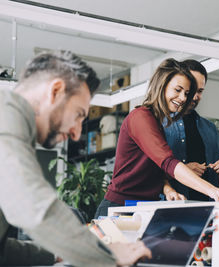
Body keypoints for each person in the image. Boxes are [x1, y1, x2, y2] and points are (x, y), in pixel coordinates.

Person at [0, 51, 151, 266]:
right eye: (79, 114)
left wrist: (58, 254)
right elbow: (33, 207)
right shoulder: (5, 116)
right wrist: (105, 255)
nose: (76, 133)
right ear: (56, 91)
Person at [95, 58, 219, 217]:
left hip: (142, 208)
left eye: (186, 93)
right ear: (162, 86)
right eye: (178, 90)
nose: (183, 98)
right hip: (119, 208)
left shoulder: (157, 123)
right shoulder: (140, 117)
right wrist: (212, 191)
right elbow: (167, 162)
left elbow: (155, 171)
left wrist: (168, 190)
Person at [162, 59, 219, 201]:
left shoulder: (210, 128)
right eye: (191, 89)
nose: (194, 96)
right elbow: (150, 173)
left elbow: (218, 177)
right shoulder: (159, 124)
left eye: (199, 91)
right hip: (174, 206)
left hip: (208, 206)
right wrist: (183, 171)